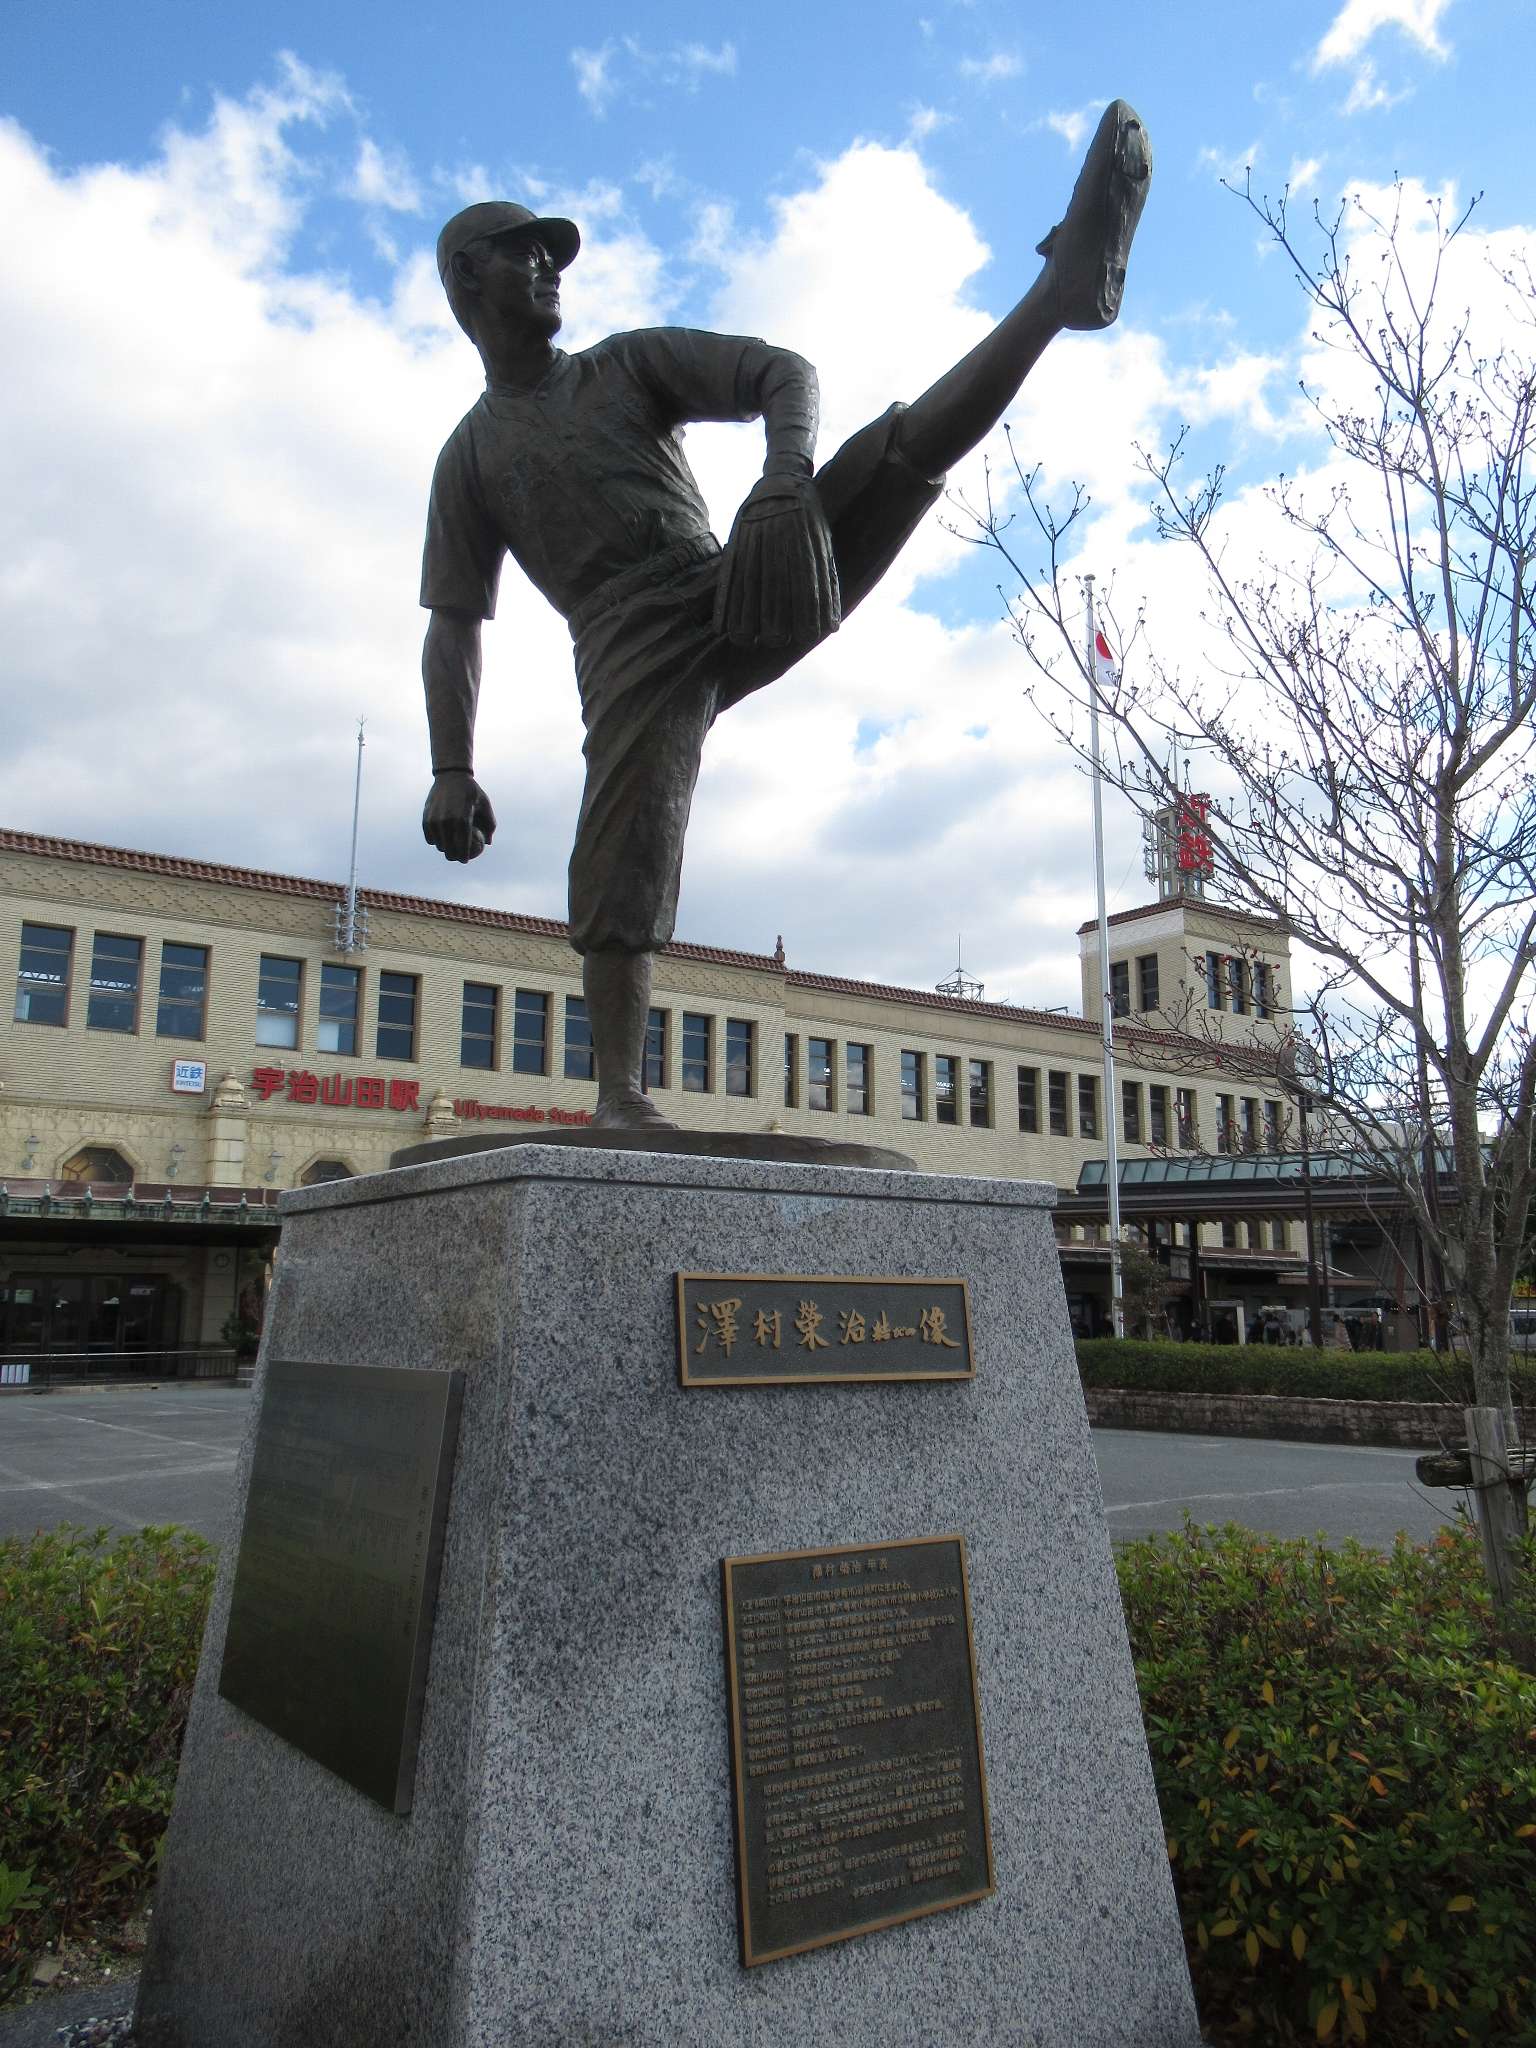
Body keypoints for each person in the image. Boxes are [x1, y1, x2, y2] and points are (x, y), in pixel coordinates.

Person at [419, 103, 1151, 1129]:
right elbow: (455, 622)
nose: (548, 269)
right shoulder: (471, 455)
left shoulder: (625, 365)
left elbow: (782, 372)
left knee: (886, 459)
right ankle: (620, 1089)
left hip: (739, 574)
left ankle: (1056, 294)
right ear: (466, 279)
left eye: (554, 255)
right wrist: (452, 764)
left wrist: (782, 475)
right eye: (523, 255)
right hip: (630, 646)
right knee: (620, 841)